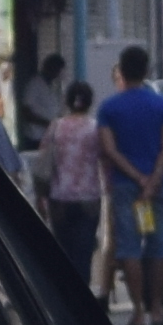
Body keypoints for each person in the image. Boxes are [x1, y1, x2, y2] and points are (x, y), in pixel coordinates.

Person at [96, 44, 163, 325]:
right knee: (160, 246)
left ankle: (136, 310)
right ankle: (157, 308)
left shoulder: (109, 108)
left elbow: (109, 149)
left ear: (121, 72)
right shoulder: (162, 105)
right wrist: (153, 179)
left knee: (129, 247)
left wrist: (135, 177)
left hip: (124, 186)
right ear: (147, 71)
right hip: (158, 186)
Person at [37, 79, 107, 286]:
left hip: (59, 198)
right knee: (84, 252)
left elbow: (43, 162)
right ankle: (83, 296)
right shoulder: (95, 128)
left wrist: (41, 195)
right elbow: (104, 157)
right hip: (89, 197)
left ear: (67, 101)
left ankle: (66, 294)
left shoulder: (56, 127)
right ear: (90, 102)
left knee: (64, 253)